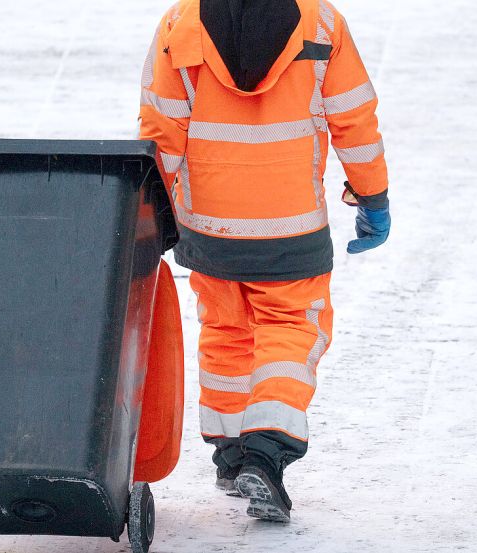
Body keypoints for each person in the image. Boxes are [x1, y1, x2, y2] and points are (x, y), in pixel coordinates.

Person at [138, 0, 390, 523]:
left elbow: (160, 130)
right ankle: (267, 452)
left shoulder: (180, 23)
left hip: (209, 228)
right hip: (290, 226)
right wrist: (372, 197)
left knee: (228, 330)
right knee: (293, 328)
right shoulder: (322, 24)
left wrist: (149, 214)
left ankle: (232, 456)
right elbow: (354, 120)